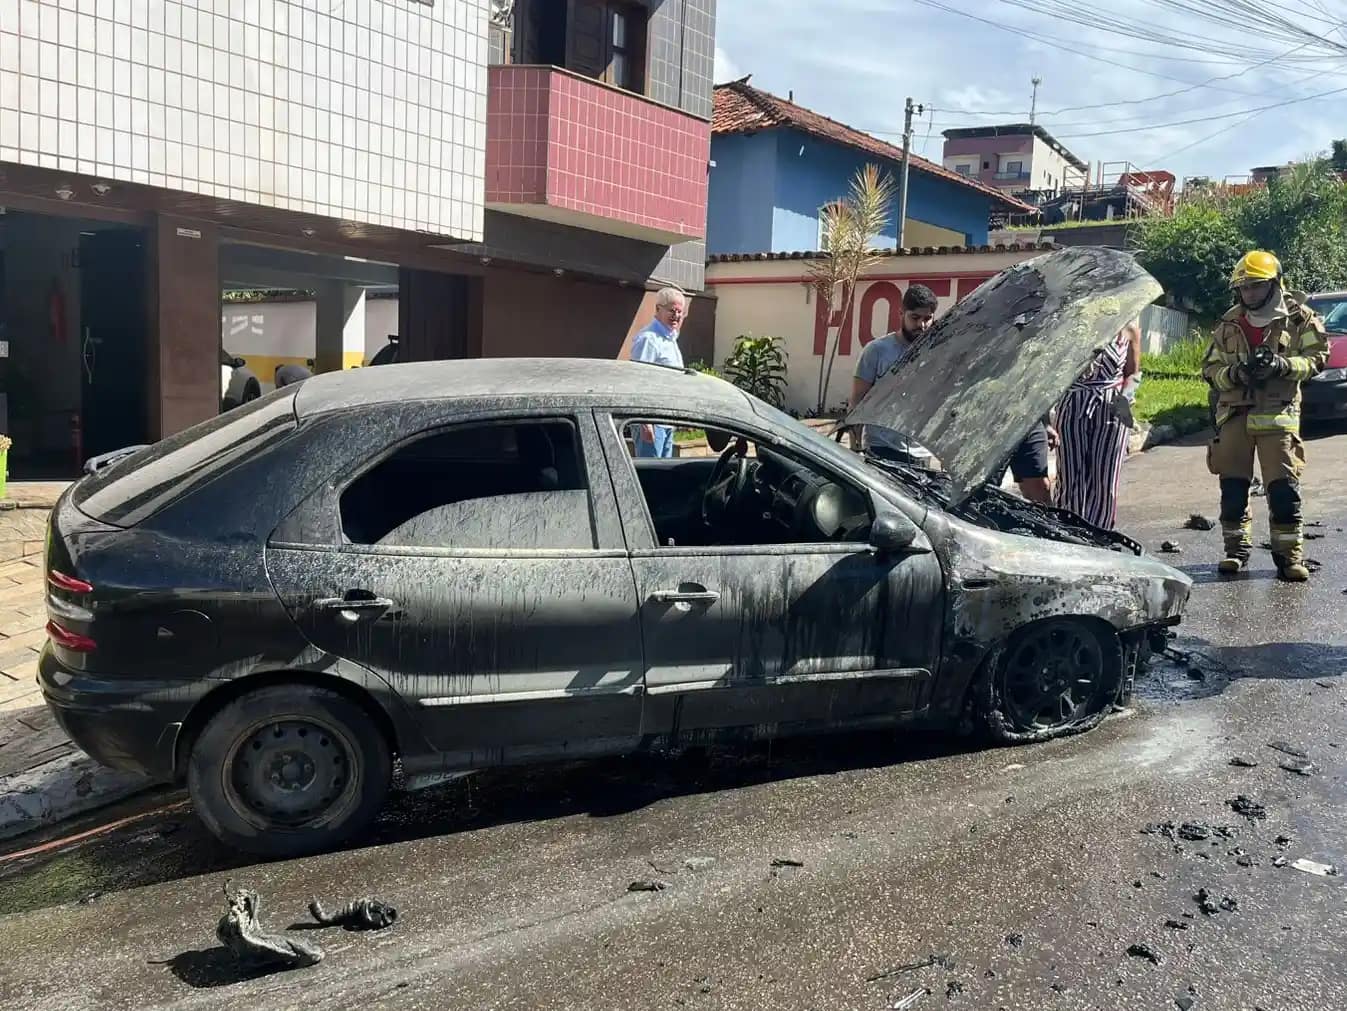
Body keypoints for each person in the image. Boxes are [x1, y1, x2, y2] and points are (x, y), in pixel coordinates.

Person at [1202, 250, 1327, 581]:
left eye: (1256, 286)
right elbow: (1210, 368)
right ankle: (1235, 552)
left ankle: (1289, 558)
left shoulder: (1299, 318)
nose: (1250, 294)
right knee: (1232, 491)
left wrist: (1283, 365)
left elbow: (1317, 359)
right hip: (1234, 417)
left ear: (1274, 284)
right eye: (1244, 288)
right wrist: (1236, 373)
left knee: (1284, 493)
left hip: (1277, 416)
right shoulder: (1229, 323)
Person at [1053, 320, 1141, 530]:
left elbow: (1134, 373)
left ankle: (1099, 534)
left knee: (1106, 477)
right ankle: (1067, 531)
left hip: (1113, 405)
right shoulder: (1074, 325)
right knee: (1070, 474)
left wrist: (1126, 399)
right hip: (1074, 401)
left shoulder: (1128, 330)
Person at [850, 284, 938, 466]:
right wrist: (855, 450)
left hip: (922, 455)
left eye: (927, 318)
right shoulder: (876, 351)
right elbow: (857, 402)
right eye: (914, 317)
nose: (921, 325)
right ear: (901, 314)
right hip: (882, 450)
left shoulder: (937, 353)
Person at [627, 287, 688, 457]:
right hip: (651, 422)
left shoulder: (670, 339)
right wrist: (645, 423)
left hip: (666, 420)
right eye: (672, 310)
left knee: (663, 475)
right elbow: (637, 382)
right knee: (651, 476)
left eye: (680, 312)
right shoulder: (649, 339)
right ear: (658, 309)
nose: (676, 316)